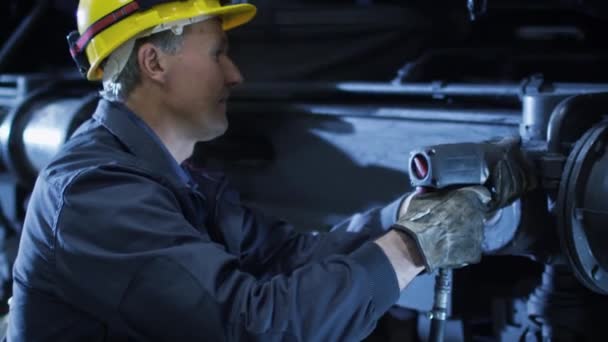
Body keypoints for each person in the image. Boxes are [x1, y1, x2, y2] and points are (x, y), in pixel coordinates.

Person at [5, 1, 532, 341]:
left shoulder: (174, 180)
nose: (234, 74)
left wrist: (411, 213)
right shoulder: (95, 194)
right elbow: (253, 328)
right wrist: (413, 248)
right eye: (218, 53)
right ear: (153, 63)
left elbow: (287, 258)